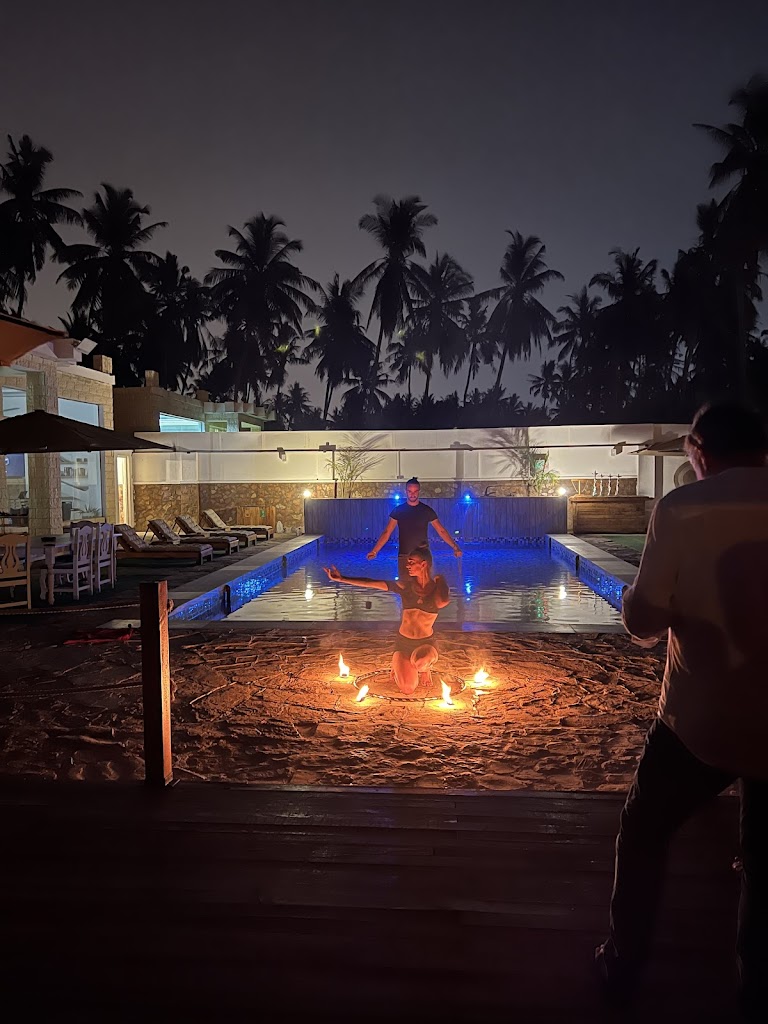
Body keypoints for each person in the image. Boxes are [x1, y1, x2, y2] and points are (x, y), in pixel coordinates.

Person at [595, 401, 768, 1021]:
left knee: (644, 831)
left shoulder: (682, 508)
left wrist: (628, 601)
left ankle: (625, 963)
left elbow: (644, 621)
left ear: (699, 451)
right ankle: (756, 988)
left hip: (701, 720)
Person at [324, 544, 450, 694]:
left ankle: (425, 669)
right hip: (403, 642)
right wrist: (342, 579)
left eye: (412, 562)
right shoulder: (405, 586)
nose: (408, 566)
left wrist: (440, 578)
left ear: (423, 564)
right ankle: (399, 664)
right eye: (408, 562)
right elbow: (372, 583)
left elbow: (444, 600)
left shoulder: (436, 591)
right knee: (407, 688)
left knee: (420, 663)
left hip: (426, 643)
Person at [367, 477, 462, 571]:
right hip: (405, 555)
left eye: (415, 491)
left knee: (425, 581)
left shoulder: (426, 511)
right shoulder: (398, 511)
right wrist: (374, 551)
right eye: (410, 491)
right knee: (404, 581)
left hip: (423, 556)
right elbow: (387, 532)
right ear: (406, 492)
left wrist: (455, 547)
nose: (412, 494)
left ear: (419, 492)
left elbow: (441, 531)